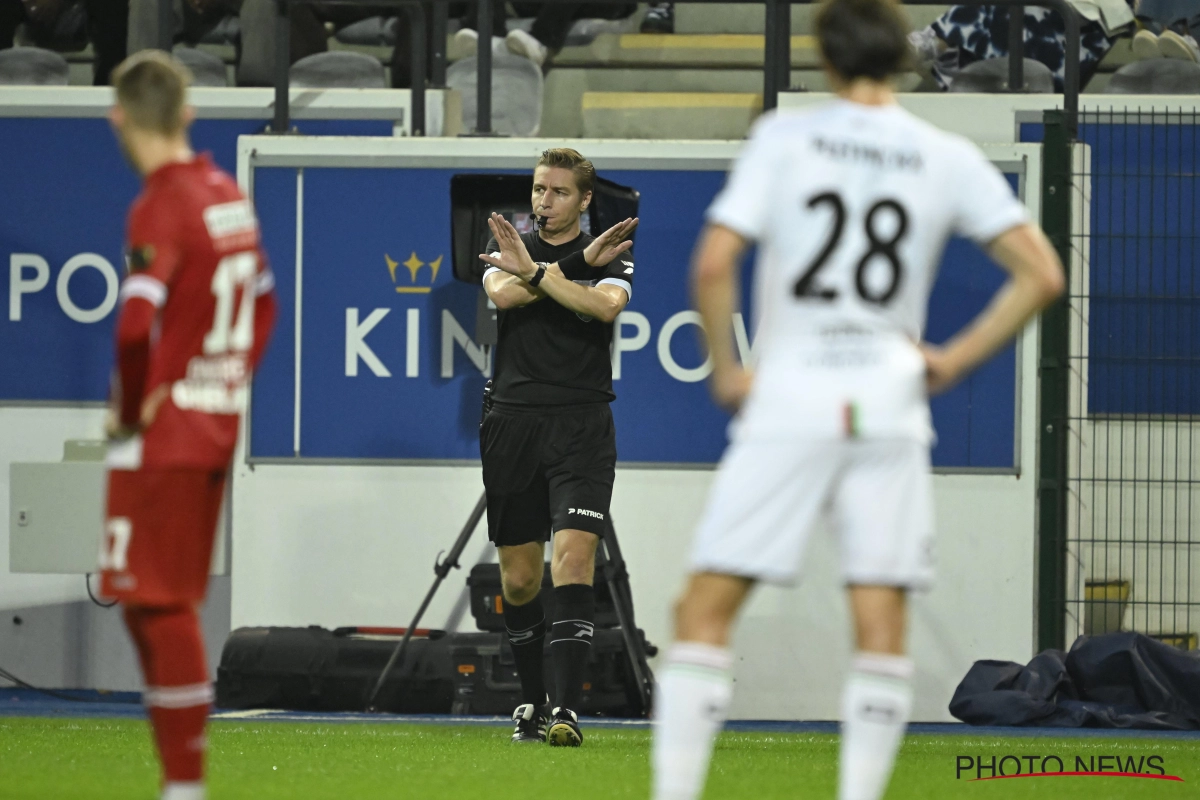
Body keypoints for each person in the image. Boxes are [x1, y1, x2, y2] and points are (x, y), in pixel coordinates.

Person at [650, 0, 1065, 798]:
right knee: (880, 626)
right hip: (888, 403)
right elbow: (1042, 274)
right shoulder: (939, 153)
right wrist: (950, 361)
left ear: (827, 57)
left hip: (792, 398)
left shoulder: (786, 137)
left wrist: (728, 373)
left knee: (704, 610)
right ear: (904, 60)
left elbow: (712, 263)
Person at [99, 50, 277, 800]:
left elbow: (135, 327)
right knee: (148, 599)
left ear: (119, 118)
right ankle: (181, 780)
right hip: (213, 423)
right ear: (187, 113)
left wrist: (134, 400)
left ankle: (184, 784)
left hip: (167, 433)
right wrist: (228, 381)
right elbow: (265, 304)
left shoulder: (160, 203)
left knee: (157, 601)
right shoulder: (224, 192)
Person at [476, 148, 638, 747]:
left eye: (559, 192)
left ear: (585, 200)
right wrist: (570, 265)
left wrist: (545, 272)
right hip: (512, 425)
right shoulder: (505, 245)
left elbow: (600, 306)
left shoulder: (614, 252)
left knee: (573, 560)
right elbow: (506, 297)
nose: (544, 201)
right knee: (519, 581)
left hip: (582, 425)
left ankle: (566, 712)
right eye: (539, 189)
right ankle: (532, 701)